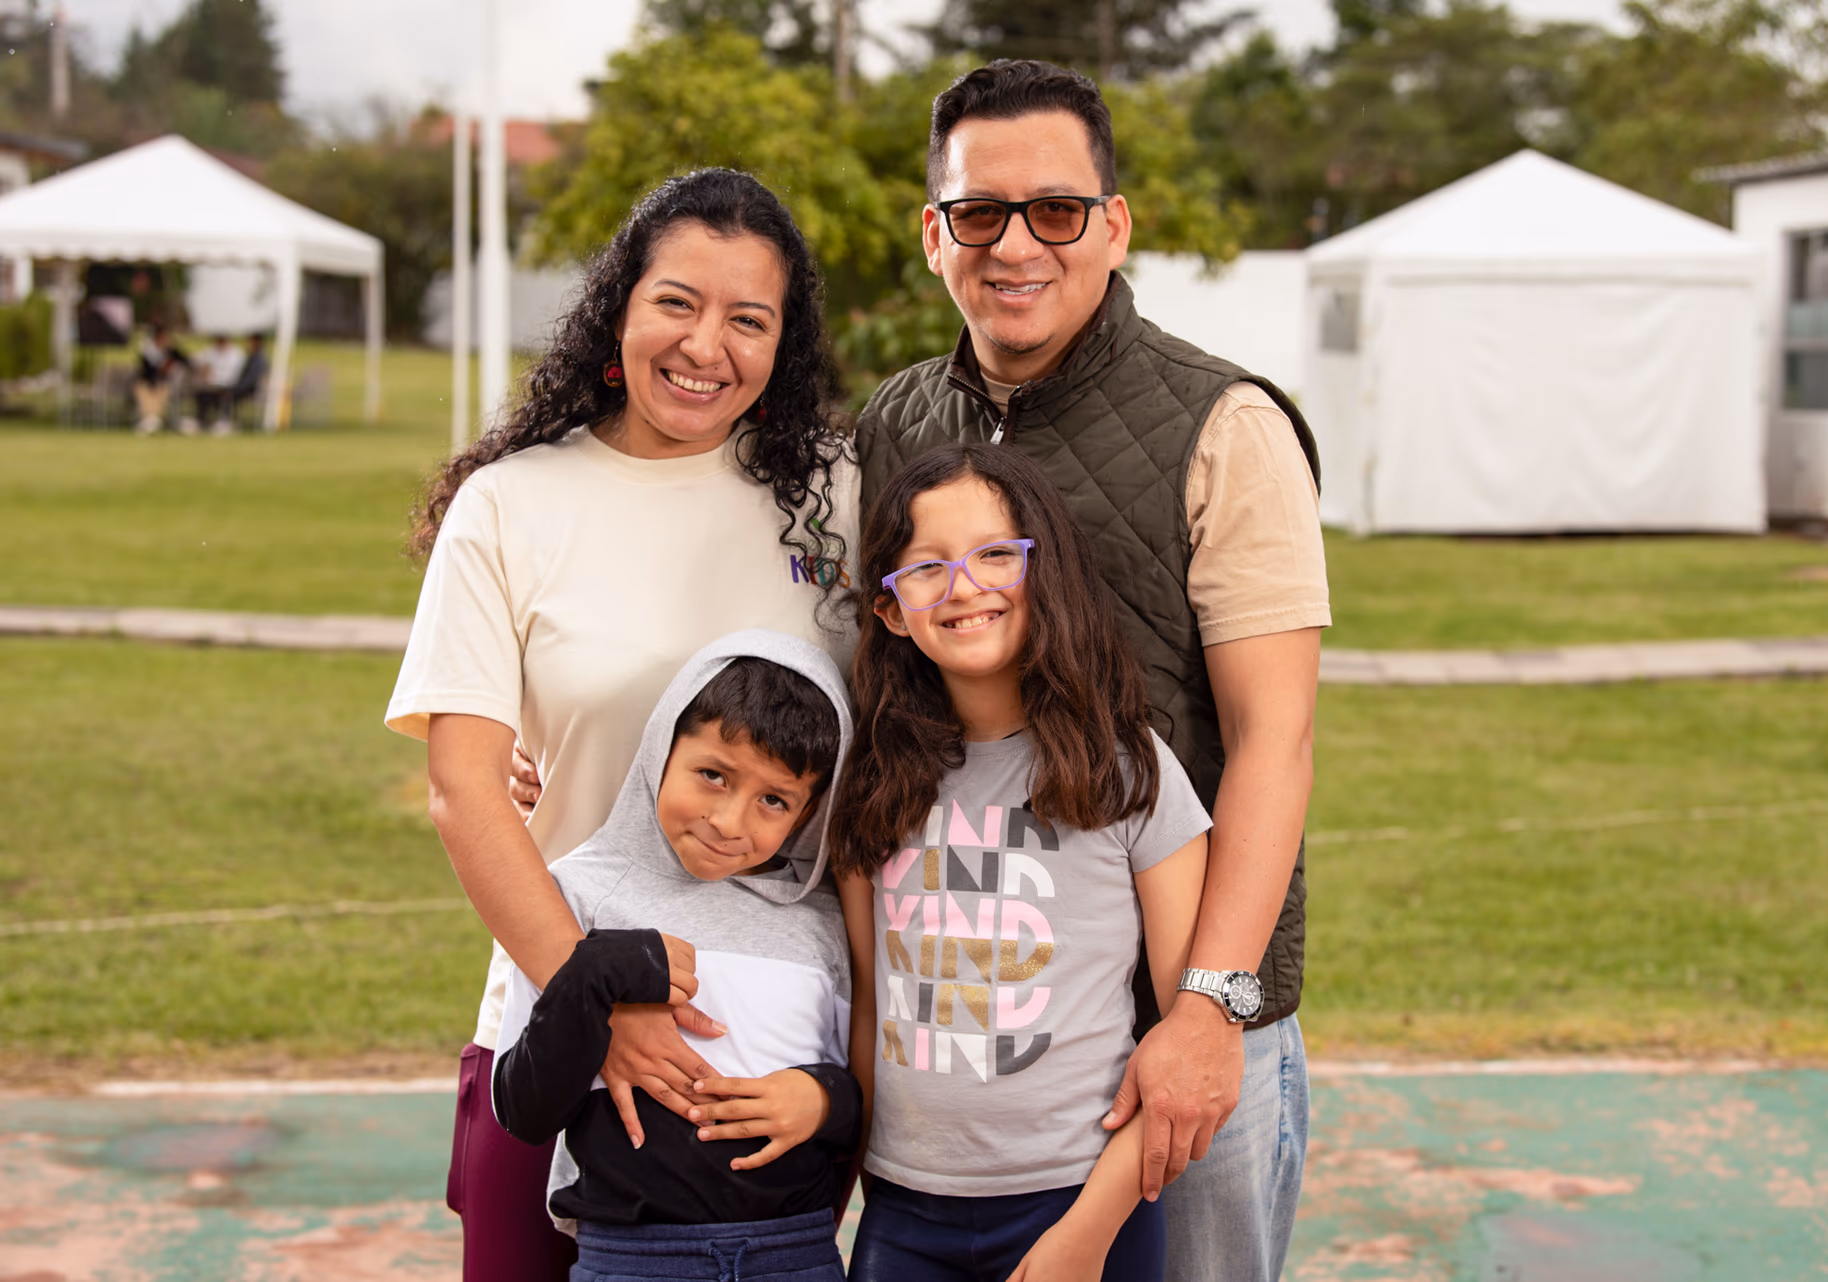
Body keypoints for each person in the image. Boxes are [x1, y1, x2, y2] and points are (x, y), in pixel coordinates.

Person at [855, 61, 1328, 1281]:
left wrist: (1209, 1011)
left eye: (1055, 211)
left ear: (1113, 225)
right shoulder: (890, 430)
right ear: (933, 234)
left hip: (1182, 1019)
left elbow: (1274, 742)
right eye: (979, 212)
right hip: (976, 1056)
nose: (1016, 244)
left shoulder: (1228, 426)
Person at [385, 167, 857, 1282]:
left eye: (751, 319)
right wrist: (595, 1003)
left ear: (783, 345)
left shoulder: (836, 493)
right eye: (677, 302)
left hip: (763, 1078)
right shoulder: (511, 504)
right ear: (619, 308)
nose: (707, 346)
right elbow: (464, 790)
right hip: (550, 1031)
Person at [830, 444, 1211, 1282]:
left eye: (996, 555)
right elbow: (868, 1011)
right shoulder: (870, 781)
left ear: (1047, 572)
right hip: (903, 1210)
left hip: (1082, 1205)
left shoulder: (1130, 771)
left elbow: (1181, 1034)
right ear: (891, 611)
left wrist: (1090, 1233)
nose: (964, 587)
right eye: (925, 568)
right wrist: (827, 1206)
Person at [493, 633, 860, 1282]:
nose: (728, 820)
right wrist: (598, 969)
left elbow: (863, 1092)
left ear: (811, 812)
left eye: (774, 800)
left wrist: (824, 1100)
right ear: (662, 748)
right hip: (632, 1261)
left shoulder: (822, 922)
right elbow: (523, 1108)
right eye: (712, 775)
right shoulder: (577, 893)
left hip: (794, 1256)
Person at [132, 324, 187, 435]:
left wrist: (171, 363)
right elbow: (147, 369)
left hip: (164, 382)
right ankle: (149, 418)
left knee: (162, 390)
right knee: (143, 390)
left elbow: (186, 360)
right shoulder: (147, 350)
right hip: (148, 381)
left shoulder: (171, 351)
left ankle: (153, 419)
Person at [188, 333, 246, 436]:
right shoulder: (210, 351)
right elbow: (194, 360)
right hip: (211, 385)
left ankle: (224, 421)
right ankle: (201, 422)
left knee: (226, 395)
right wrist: (203, 372)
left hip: (229, 385)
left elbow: (238, 374)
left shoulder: (237, 354)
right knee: (203, 394)